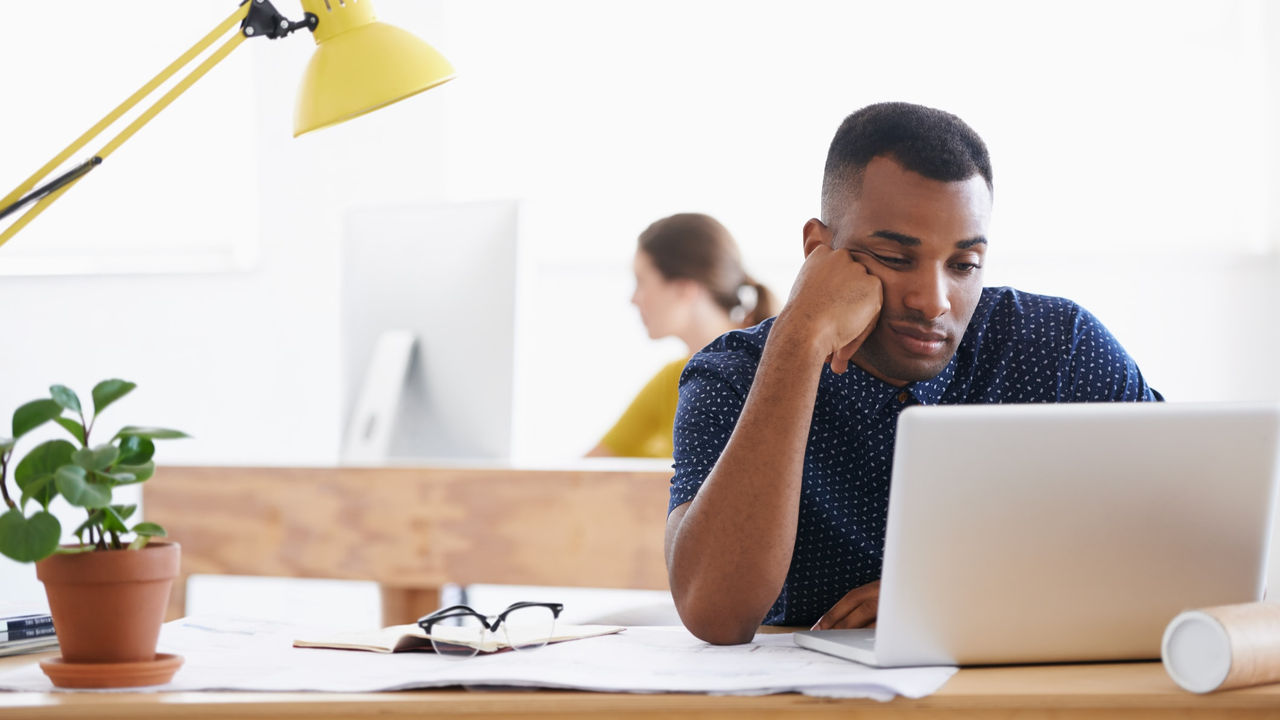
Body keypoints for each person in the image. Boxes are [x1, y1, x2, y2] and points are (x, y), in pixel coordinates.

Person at [663, 102, 1162, 645]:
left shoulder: (1058, 349)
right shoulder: (730, 377)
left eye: (964, 264)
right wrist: (800, 340)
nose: (933, 301)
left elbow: (1182, 537)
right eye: (896, 259)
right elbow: (715, 614)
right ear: (818, 250)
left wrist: (964, 595)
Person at [588, 213, 775, 458]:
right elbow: (583, 472)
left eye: (641, 282)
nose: (633, 299)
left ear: (684, 288)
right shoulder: (672, 379)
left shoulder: (769, 373)